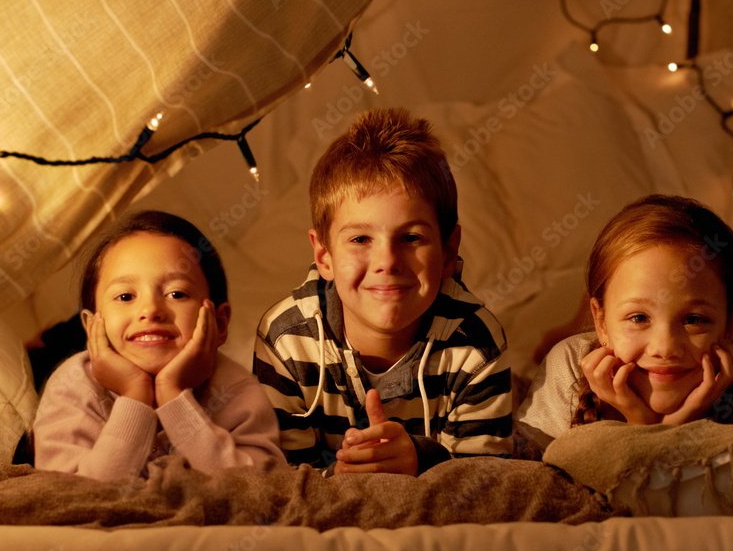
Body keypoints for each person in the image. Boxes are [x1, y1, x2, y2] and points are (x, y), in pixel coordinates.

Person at [253, 107, 513, 475]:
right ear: (323, 255)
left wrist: (420, 461)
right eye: (360, 239)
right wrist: (343, 480)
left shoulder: (476, 343)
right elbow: (277, 484)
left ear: (449, 251)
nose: (387, 261)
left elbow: (489, 484)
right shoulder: (286, 340)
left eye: (411, 238)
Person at [515, 194, 733, 452]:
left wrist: (662, 430)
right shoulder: (568, 367)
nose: (665, 348)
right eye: (639, 318)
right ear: (601, 323)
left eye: (693, 320)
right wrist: (646, 426)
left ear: (728, 324)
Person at [33, 210, 286, 480]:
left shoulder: (236, 390)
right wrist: (134, 396)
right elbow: (71, 499)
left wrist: (173, 396)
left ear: (219, 322)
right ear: (91, 324)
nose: (151, 310)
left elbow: (261, 492)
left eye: (176, 294)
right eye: (125, 296)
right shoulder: (74, 385)